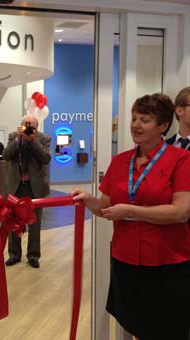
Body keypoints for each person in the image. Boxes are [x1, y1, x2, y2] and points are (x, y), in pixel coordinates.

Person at [71, 93, 190, 340]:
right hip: (126, 262)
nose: (136, 125)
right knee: (133, 326)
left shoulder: (182, 160)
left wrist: (130, 211)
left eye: (145, 119)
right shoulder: (120, 161)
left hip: (167, 263)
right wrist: (88, 200)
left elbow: (181, 212)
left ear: (164, 126)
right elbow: (106, 206)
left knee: (167, 330)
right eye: (134, 118)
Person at [3, 114, 51, 268]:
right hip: (16, 186)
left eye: (33, 127)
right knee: (13, 222)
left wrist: (33, 141)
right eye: (26, 126)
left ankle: (33, 255)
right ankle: (14, 254)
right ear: (20, 126)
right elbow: (6, 155)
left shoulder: (44, 139)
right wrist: (19, 139)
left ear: (37, 128)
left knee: (35, 224)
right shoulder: (13, 137)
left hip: (35, 188)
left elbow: (46, 158)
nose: (29, 129)